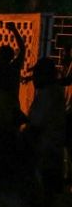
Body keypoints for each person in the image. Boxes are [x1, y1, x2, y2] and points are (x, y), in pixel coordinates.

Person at [24, 57, 65, 199]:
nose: (33, 78)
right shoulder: (54, 92)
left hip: (44, 154)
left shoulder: (46, 95)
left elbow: (35, 127)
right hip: (53, 153)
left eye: (36, 74)